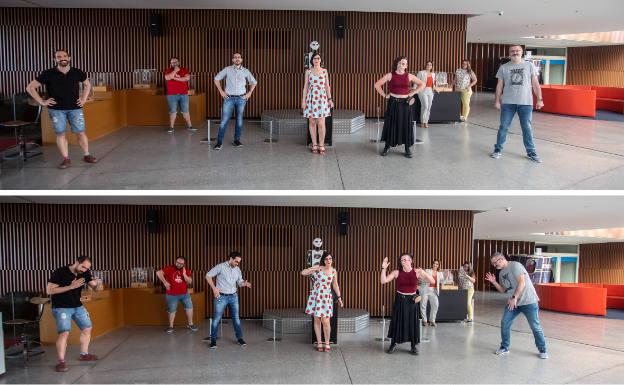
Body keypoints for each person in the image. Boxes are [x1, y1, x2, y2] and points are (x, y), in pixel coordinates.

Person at [26, 49, 98, 169]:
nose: (62, 58)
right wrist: (42, 102)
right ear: (55, 59)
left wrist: (84, 99)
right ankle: (66, 159)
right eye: (59, 56)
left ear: (69, 58)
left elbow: (87, 84)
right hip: (56, 109)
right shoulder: (48, 73)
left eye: (65, 56)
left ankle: (87, 155)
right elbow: (30, 87)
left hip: (75, 108)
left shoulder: (77, 72)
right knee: (61, 134)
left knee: (80, 132)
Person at [485, 252, 548, 359]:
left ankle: (543, 349)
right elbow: (503, 290)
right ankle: (504, 347)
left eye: (495, 263)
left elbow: (522, 283)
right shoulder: (501, 273)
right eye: (493, 265)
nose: (495, 266)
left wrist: (514, 298)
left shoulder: (515, 265)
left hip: (528, 301)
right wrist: (494, 282)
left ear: (501, 259)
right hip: (514, 303)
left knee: (535, 326)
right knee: (505, 322)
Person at [46, 255, 102, 372]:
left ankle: (84, 354)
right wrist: (71, 286)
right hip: (61, 307)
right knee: (64, 333)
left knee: (87, 328)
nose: (84, 270)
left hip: (78, 306)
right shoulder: (60, 272)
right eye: (83, 267)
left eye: (87, 268)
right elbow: (49, 290)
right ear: (76, 262)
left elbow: (96, 289)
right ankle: (61, 362)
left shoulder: (85, 273)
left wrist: (98, 283)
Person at [490, 45, 544, 163]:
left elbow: (535, 84)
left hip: (526, 103)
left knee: (527, 128)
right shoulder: (503, 67)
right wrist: (497, 100)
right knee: (503, 127)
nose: (515, 52)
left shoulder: (529, 65)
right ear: (509, 53)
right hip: (508, 103)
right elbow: (499, 85)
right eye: (512, 51)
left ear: (522, 52)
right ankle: (498, 149)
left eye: (517, 50)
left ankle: (531, 152)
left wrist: (540, 99)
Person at [380, 253, 433, 355]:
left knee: (412, 322)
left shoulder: (417, 272)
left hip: (412, 300)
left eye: (405, 259)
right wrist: (383, 268)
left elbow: (432, 280)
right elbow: (383, 281)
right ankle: (393, 343)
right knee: (397, 321)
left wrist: (424, 273)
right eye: (401, 260)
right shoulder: (396, 272)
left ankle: (413, 346)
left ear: (411, 261)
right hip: (400, 300)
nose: (403, 261)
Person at [374, 56, 425, 158]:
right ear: (396, 64)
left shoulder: (409, 76)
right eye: (399, 63)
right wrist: (385, 95)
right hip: (393, 102)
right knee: (391, 124)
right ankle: (387, 146)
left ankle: (407, 148)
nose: (401, 65)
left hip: (405, 104)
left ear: (406, 66)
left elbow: (422, 84)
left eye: (403, 63)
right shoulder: (390, 75)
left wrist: (413, 93)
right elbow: (377, 85)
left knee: (406, 124)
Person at [203, 251, 252, 348]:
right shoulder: (220, 267)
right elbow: (208, 275)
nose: (237, 263)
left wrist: (244, 283)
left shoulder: (237, 269)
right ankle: (213, 341)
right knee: (216, 319)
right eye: (236, 261)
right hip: (221, 297)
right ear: (230, 259)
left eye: (238, 262)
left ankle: (239, 338)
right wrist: (214, 288)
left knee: (236, 319)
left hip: (233, 297)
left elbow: (239, 282)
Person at [213, 53, 257, 150]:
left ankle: (236, 140)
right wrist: (221, 91)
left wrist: (249, 93)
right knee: (224, 121)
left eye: (239, 57)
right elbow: (216, 79)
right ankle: (219, 143)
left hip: (241, 99)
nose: (237, 59)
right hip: (229, 98)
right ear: (233, 60)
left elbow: (254, 82)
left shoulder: (246, 71)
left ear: (241, 59)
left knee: (239, 121)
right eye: (235, 57)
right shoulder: (227, 69)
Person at [300, 251, 344, 352]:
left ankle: (327, 342)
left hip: (326, 298)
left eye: (330, 259)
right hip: (316, 296)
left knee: (326, 321)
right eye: (326, 259)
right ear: (323, 260)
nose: (328, 261)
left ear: (332, 260)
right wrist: (313, 268)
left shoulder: (333, 271)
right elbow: (303, 273)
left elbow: (335, 285)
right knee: (317, 320)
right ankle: (319, 342)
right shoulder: (319, 268)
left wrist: (339, 298)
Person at [155, 256, 198, 333]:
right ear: (175, 261)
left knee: (189, 308)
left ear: (184, 264)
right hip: (172, 295)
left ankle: (190, 324)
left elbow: (190, 281)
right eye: (177, 262)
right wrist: (165, 282)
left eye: (181, 264)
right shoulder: (170, 268)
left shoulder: (186, 270)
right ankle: (171, 326)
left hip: (184, 294)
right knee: (172, 311)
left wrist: (184, 275)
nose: (178, 264)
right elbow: (158, 273)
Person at [301, 53, 334, 155]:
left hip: (322, 99)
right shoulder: (308, 71)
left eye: (318, 58)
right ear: (312, 60)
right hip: (311, 99)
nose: (316, 59)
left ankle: (321, 145)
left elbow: (327, 86)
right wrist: (303, 101)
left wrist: (330, 99)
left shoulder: (324, 71)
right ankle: (314, 144)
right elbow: (306, 86)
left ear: (321, 60)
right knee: (312, 122)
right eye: (314, 58)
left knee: (321, 123)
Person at [164, 57, 195, 134]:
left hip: (183, 94)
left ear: (179, 62)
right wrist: (175, 71)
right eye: (172, 62)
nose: (174, 63)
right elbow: (167, 78)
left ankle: (190, 126)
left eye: (176, 62)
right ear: (170, 64)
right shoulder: (168, 70)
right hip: (171, 95)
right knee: (173, 111)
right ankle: (171, 128)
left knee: (186, 111)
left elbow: (186, 79)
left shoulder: (184, 69)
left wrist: (174, 77)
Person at [420, 259, 445, 326]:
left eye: (437, 264)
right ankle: (424, 320)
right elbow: (422, 279)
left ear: (438, 265)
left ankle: (432, 320)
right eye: (434, 263)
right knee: (423, 305)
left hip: (434, 290)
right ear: (432, 264)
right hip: (425, 289)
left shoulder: (440, 273)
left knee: (435, 305)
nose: (435, 265)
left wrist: (445, 278)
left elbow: (442, 282)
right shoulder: (427, 271)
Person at [416, 61, 437, 128]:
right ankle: (422, 121)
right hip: (422, 91)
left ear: (432, 66)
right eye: (427, 64)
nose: (429, 66)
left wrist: (435, 89)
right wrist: (414, 90)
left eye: (430, 65)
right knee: (425, 106)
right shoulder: (421, 72)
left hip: (430, 91)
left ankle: (426, 122)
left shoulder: (433, 74)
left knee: (429, 107)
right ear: (425, 65)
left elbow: (433, 84)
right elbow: (416, 81)